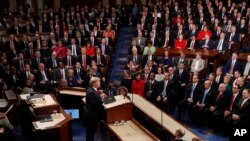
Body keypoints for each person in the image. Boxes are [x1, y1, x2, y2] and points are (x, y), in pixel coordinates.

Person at [85, 77, 106, 141]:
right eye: (99, 81)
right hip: (92, 117)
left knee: (90, 134)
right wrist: (101, 99)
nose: (100, 83)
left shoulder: (93, 90)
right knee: (90, 134)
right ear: (94, 83)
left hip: (93, 116)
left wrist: (100, 97)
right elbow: (94, 104)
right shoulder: (91, 92)